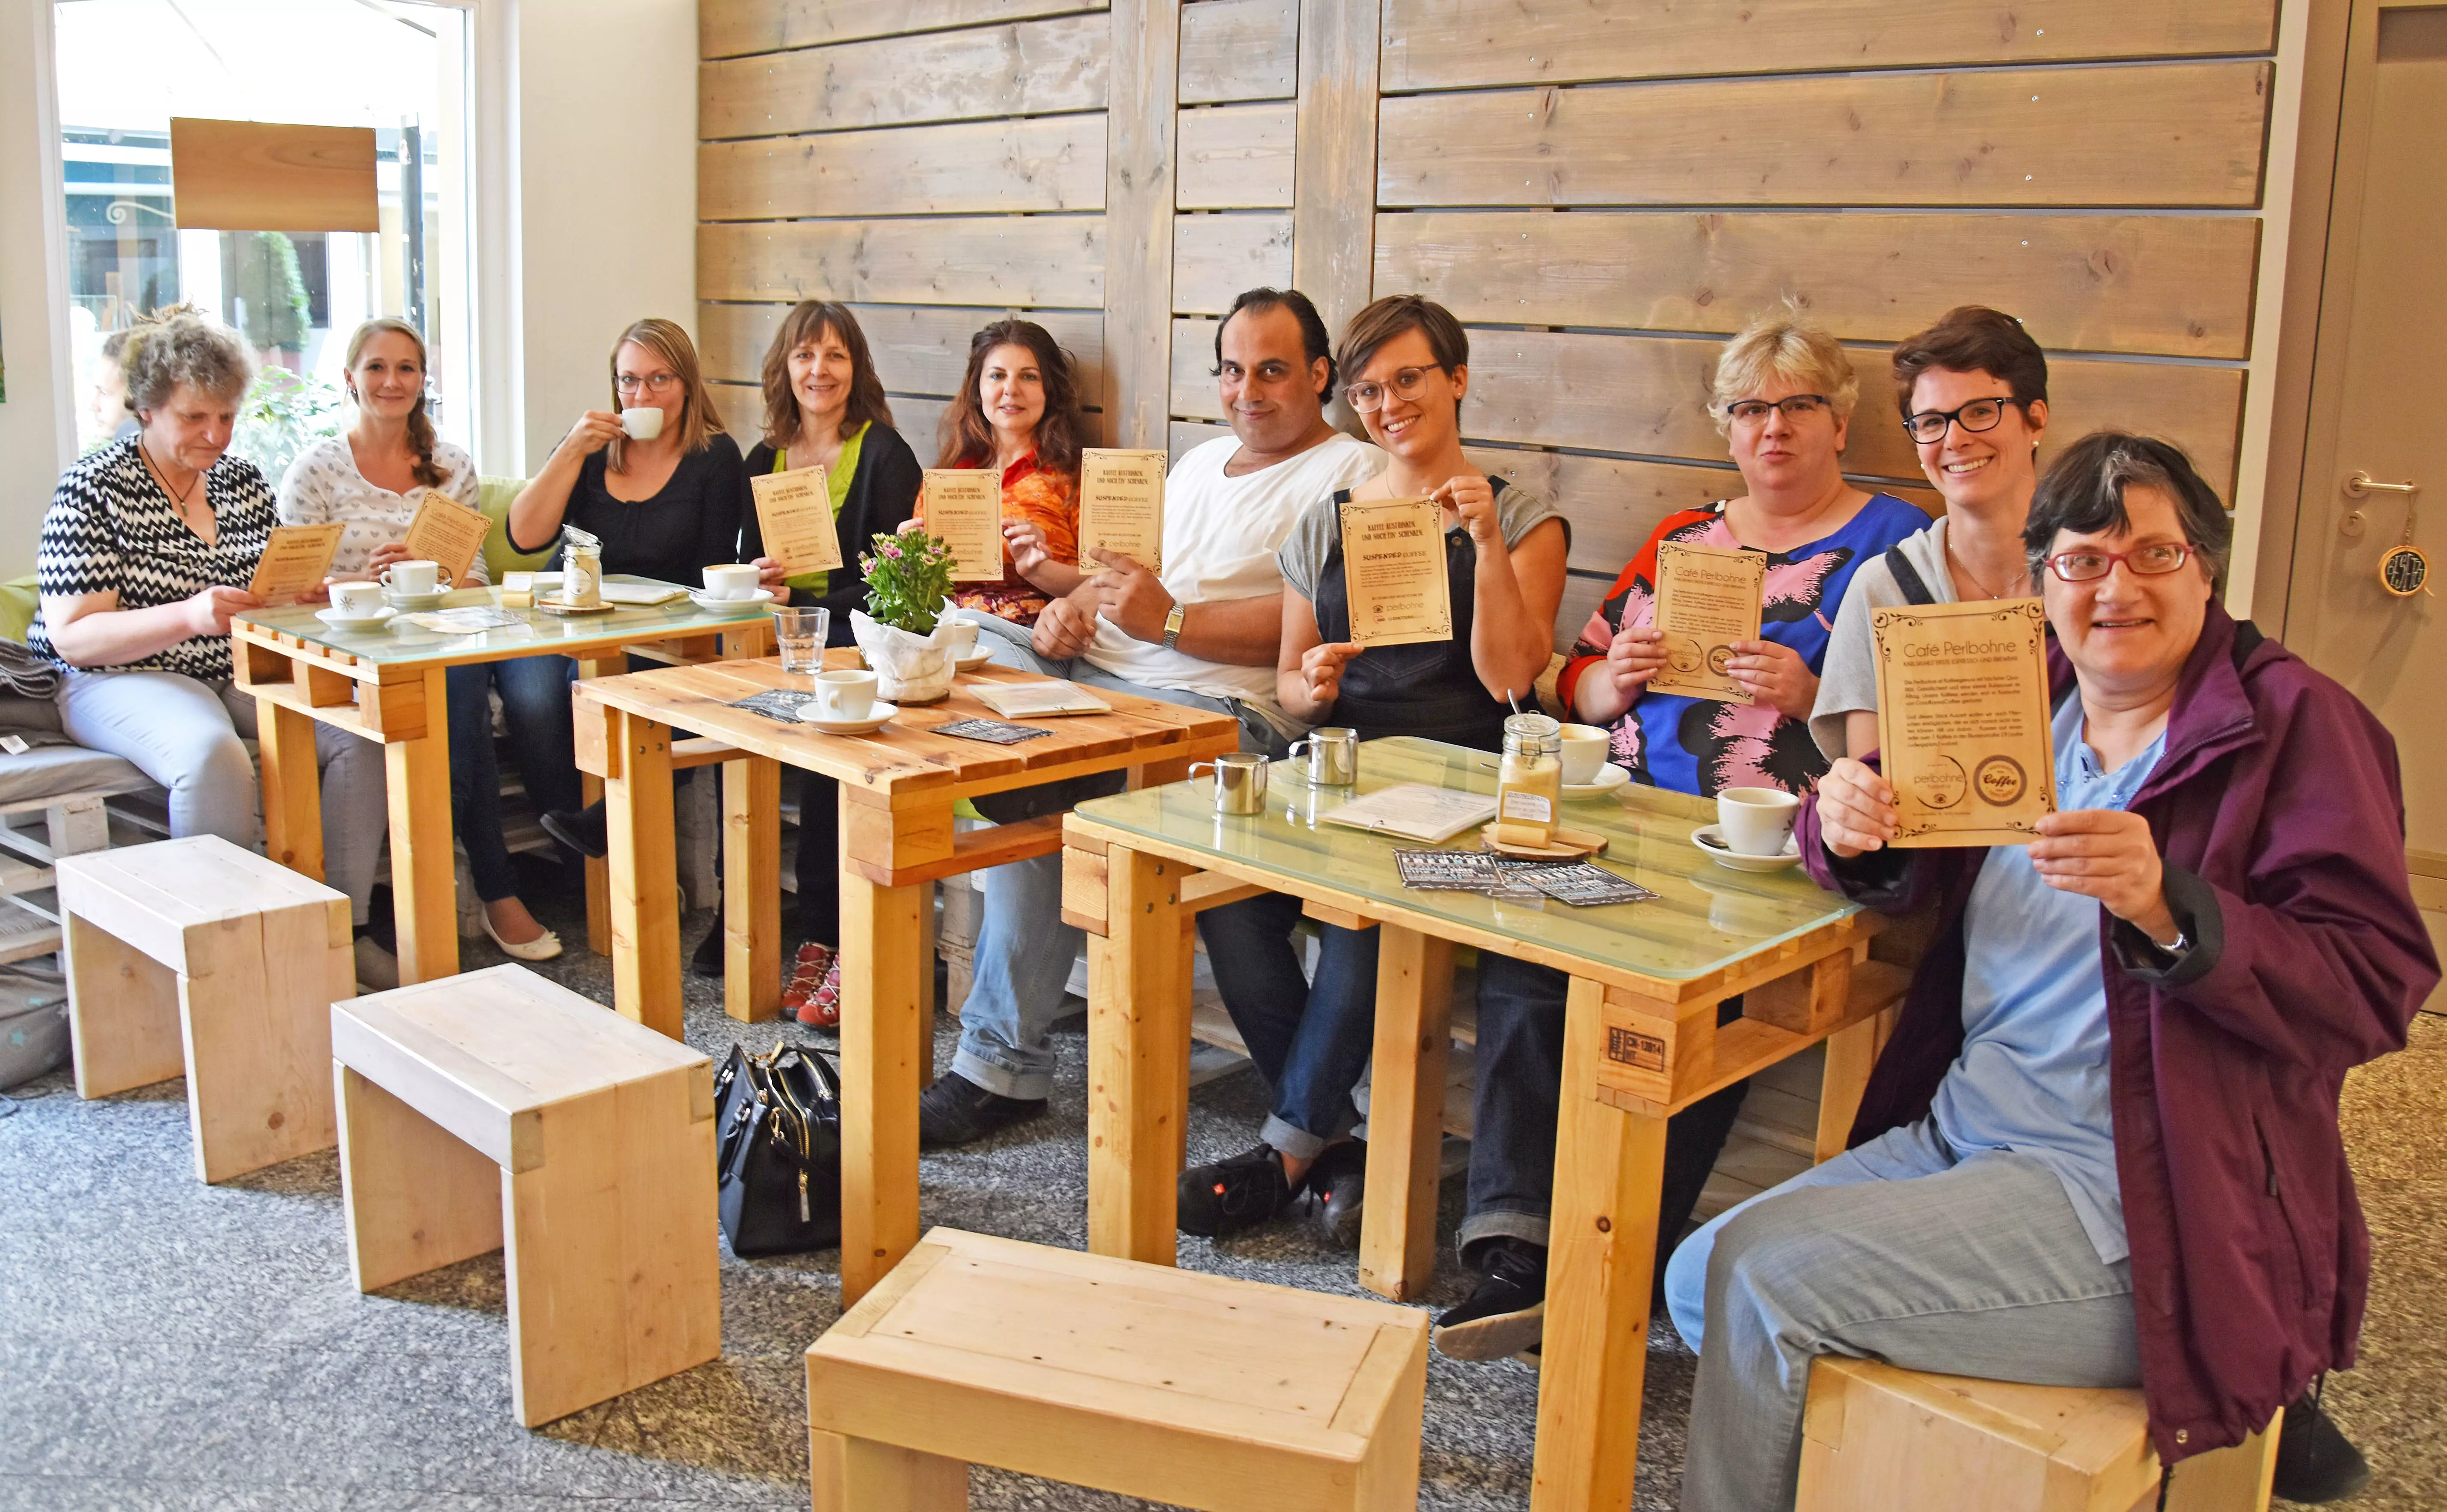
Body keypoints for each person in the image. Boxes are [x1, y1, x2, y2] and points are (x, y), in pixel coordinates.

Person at [1664, 433, 2435, 1512]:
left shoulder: (2295, 724)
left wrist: (2170, 906)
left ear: (2205, 569)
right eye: (2080, 561)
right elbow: (1879, 838)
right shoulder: (2022, 694)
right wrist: (1844, 825)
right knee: (1699, 1278)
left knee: (1767, 1280)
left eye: (2152, 556)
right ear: (2039, 581)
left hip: (2145, 1196)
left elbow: (2370, 981)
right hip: (1965, 1134)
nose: (2113, 588)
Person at [1530, 309, 1930, 1330]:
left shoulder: (1896, 546)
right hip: (1627, 814)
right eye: (1748, 409)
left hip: (1765, 850)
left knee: (1686, 991)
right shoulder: (1681, 537)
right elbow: (1563, 678)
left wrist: (1811, 695)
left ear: (1839, 422)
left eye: (1798, 406)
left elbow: (1930, 730)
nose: (1773, 429)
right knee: (1524, 954)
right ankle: (1515, 1234)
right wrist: (1605, 681)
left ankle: (1614, 1262)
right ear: (1723, 427)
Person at [917, 287, 1381, 1146]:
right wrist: (1072, 608)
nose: (1250, 390)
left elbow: (1317, 632)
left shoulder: (1352, 473)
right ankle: (1014, 757)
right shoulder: (1198, 463)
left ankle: (996, 1068)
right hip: (1104, 677)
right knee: (971, 633)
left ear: (1320, 376)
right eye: (1234, 371)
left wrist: (1166, 622)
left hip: (1217, 712)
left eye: (1274, 371)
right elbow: (1126, 580)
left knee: (1047, 782)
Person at [1180, 295, 1567, 1254]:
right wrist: (1312, 685)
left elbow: (1515, 681)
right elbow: (1290, 683)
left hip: (1466, 782)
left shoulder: (1524, 518)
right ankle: (1332, 1143)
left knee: (1359, 918)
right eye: (1369, 390)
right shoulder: (1330, 520)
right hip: (1341, 770)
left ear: (1457, 380)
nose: (1389, 404)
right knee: (1229, 901)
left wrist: (1480, 543)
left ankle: (1285, 1152)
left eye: (1409, 380)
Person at [28, 311, 397, 987]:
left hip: (228, 666)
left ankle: (341, 931)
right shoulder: (92, 486)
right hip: (112, 675)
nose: (215, 435)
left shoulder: (241, 481)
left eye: (226, 417)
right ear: (147, 409)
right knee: (211, 755)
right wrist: (188, 615)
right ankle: (221, 965)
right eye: (195, 417)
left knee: (358, 733)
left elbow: (263, 590)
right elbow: (74, 634)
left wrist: (319, 589)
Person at [277, 317, 560, 961]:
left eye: (406, 368)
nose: (391, 381)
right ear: (350, 378)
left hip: (445, 636)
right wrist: (361, 578)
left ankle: (479, 891)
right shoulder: (315, 469)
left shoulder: (450, 466)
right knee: (450, 691)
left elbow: (474, 577)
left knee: (455, 682)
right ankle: (495, 891)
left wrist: (431, 569)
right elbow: (294, 584)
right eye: (376, 367)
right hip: (358, 648)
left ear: (423, 380)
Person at [735, 302, 923, 1020]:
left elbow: (889, 578)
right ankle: (757, 925)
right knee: (732, 733)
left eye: (835, 356)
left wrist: (813, 606)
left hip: (855, 643)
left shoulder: (883, 452)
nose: (819, 370)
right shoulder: (764, 459)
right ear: (785, 367)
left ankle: (831, 936)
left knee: (823, 759)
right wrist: (764, 580)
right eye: (806, 355)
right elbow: (743, 560)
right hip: (782, 641)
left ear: (857, 368)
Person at [507, 318, 746, 880]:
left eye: (659, 379)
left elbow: (710, 567)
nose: (642, 395)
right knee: (538, 701)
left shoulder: (715, 458)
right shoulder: (591, 450)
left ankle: (600, 823)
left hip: (661, 622)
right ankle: (575, 861)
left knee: (665, 696)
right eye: (629, 381)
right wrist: (569, 449)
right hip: (566, 613)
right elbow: (526, 536)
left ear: (687, 383)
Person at [1811, 305, 2050, 760]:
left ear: (2036, 418)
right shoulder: (1882, 589)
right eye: (1932, 422)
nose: (1955, 440)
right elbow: (1872, 783)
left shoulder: (2096, 578)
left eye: (1981, 411)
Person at [909, 318, 1088, 628]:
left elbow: (1108, 583)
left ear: (1050, 390)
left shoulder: (1074, 478)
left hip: (1035, 635)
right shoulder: (947, 478)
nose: (1011, 390)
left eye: (1029, 377)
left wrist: (1039, 569)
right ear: (978, 390)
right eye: (997, 376)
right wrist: (909, 563)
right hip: (947, 629)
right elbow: (924, 594)